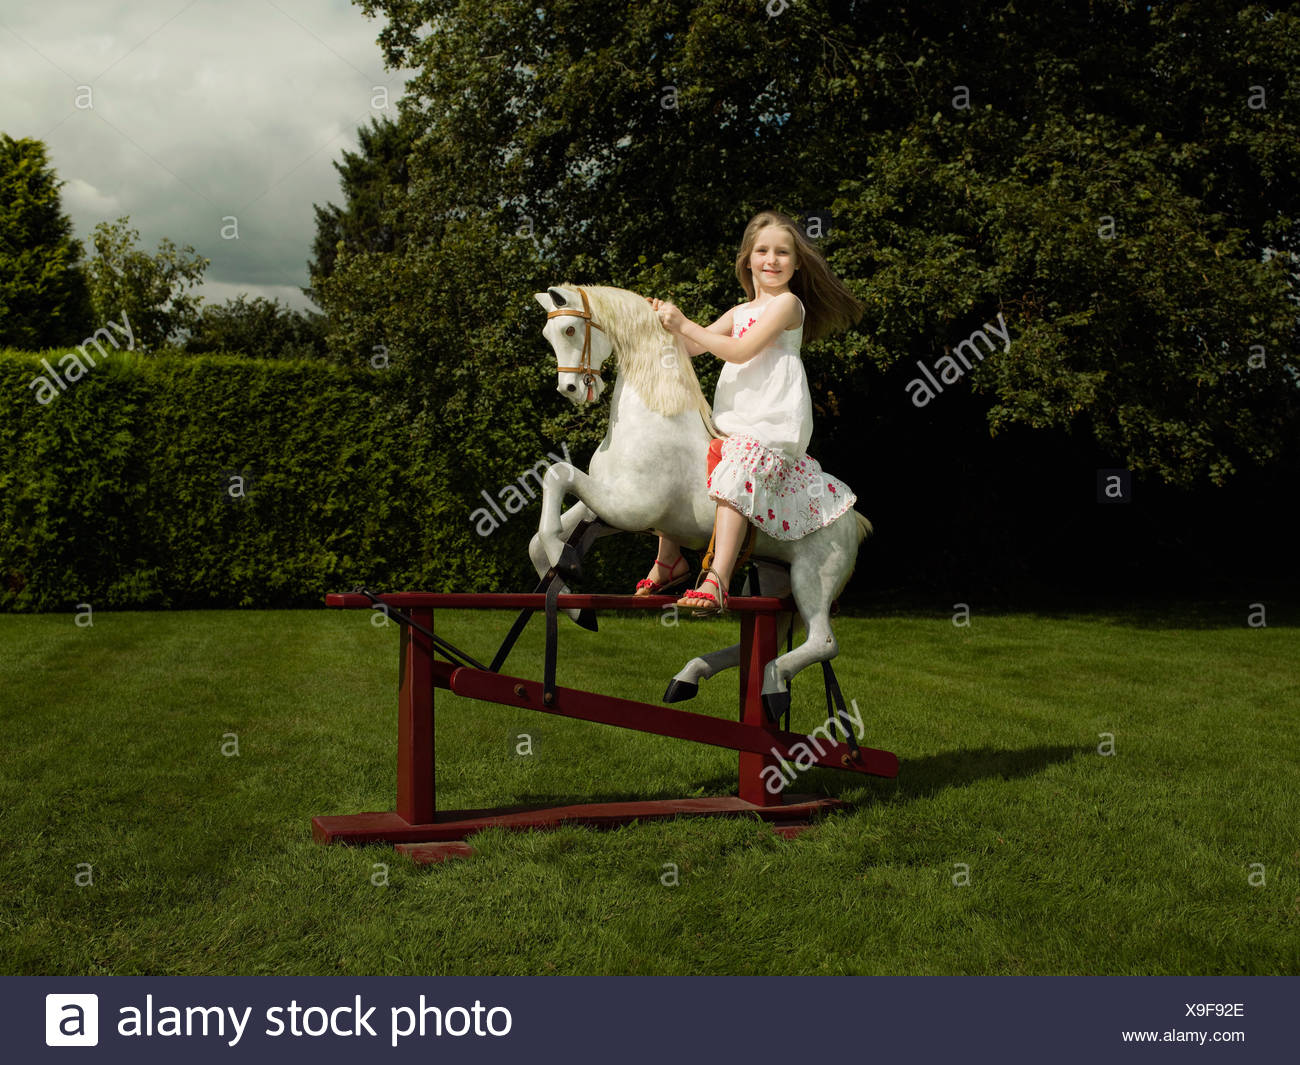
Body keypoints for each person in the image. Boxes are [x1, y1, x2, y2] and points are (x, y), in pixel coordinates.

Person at [636, 210, 864, 614]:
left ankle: (718, 579)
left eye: (782, 252)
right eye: (762, 251)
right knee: (687, 463)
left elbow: (740, 350)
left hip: (770, 421)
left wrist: (685, 323)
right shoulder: (740, 312)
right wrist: (658, 323)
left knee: (739, 467)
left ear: (796, 263)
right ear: (747, 259)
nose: (771, 260)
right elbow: (694, 347)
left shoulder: (788, 305)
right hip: (735, 421)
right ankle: (667, 560)